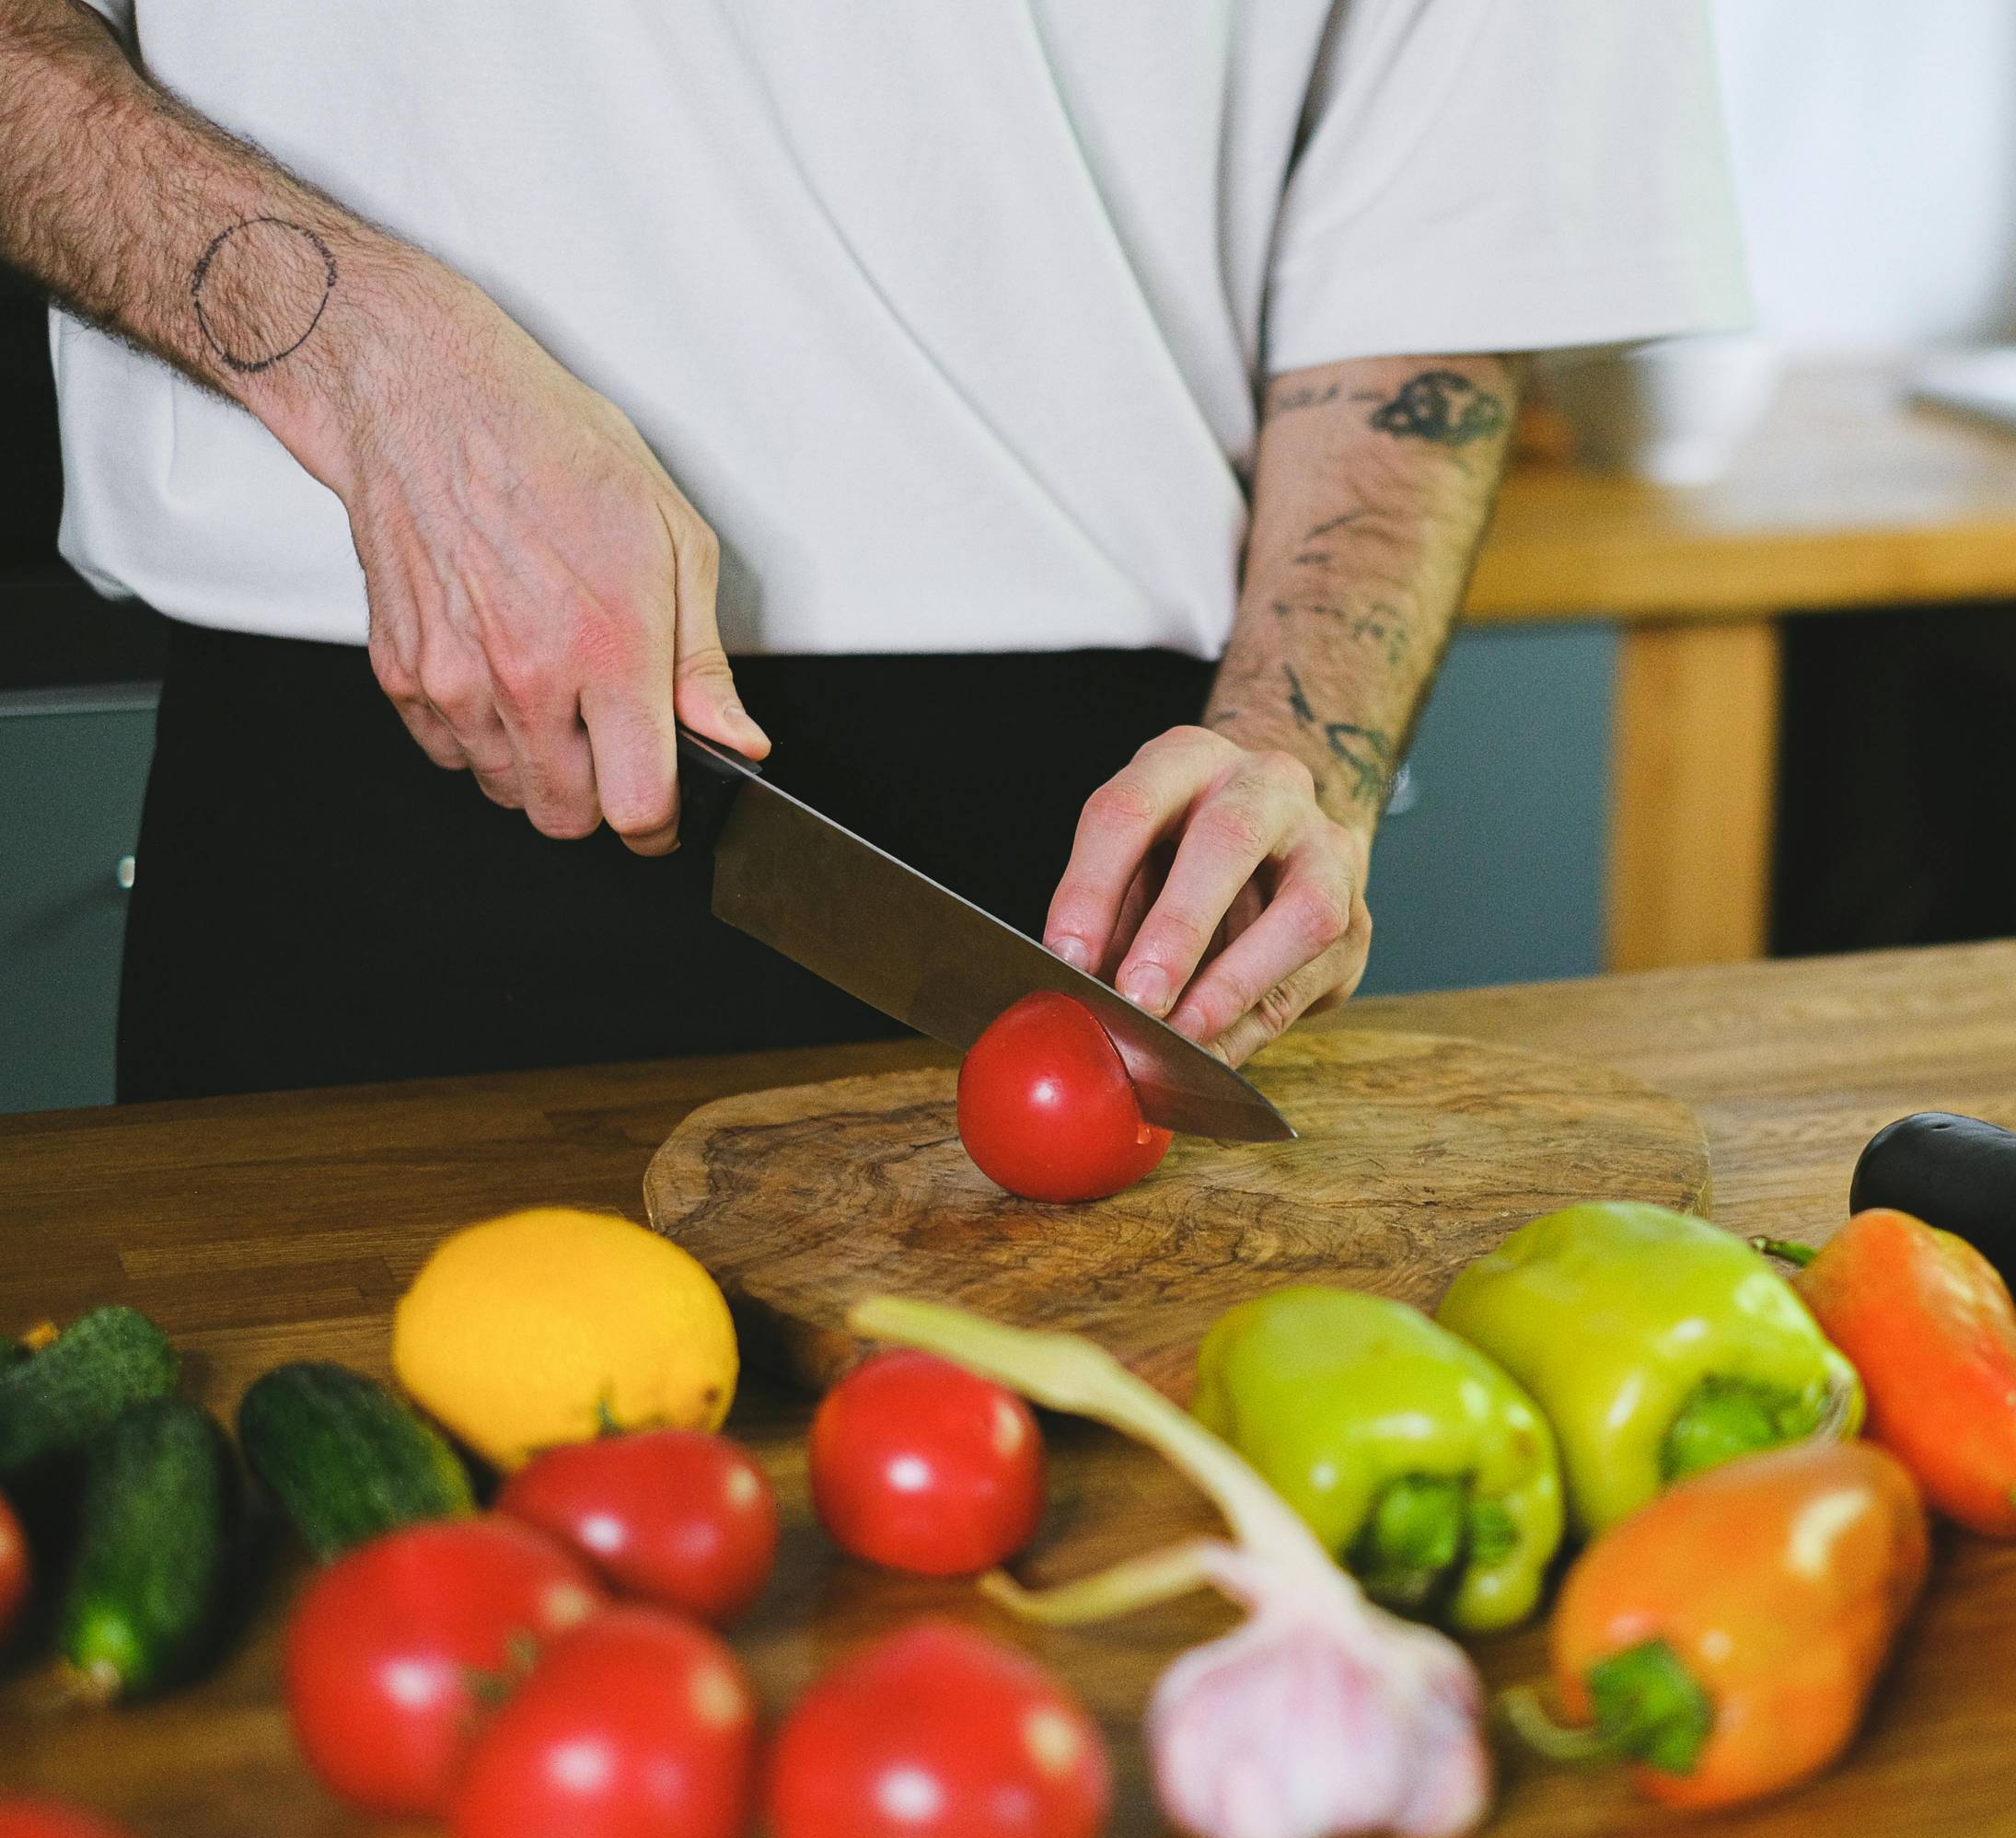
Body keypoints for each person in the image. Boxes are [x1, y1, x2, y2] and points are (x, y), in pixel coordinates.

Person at [0, 2, 1748, 1100]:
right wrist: (366, 363)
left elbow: (1431, 268)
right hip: (376, 785)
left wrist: (1306, 747)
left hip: (1103, 882)